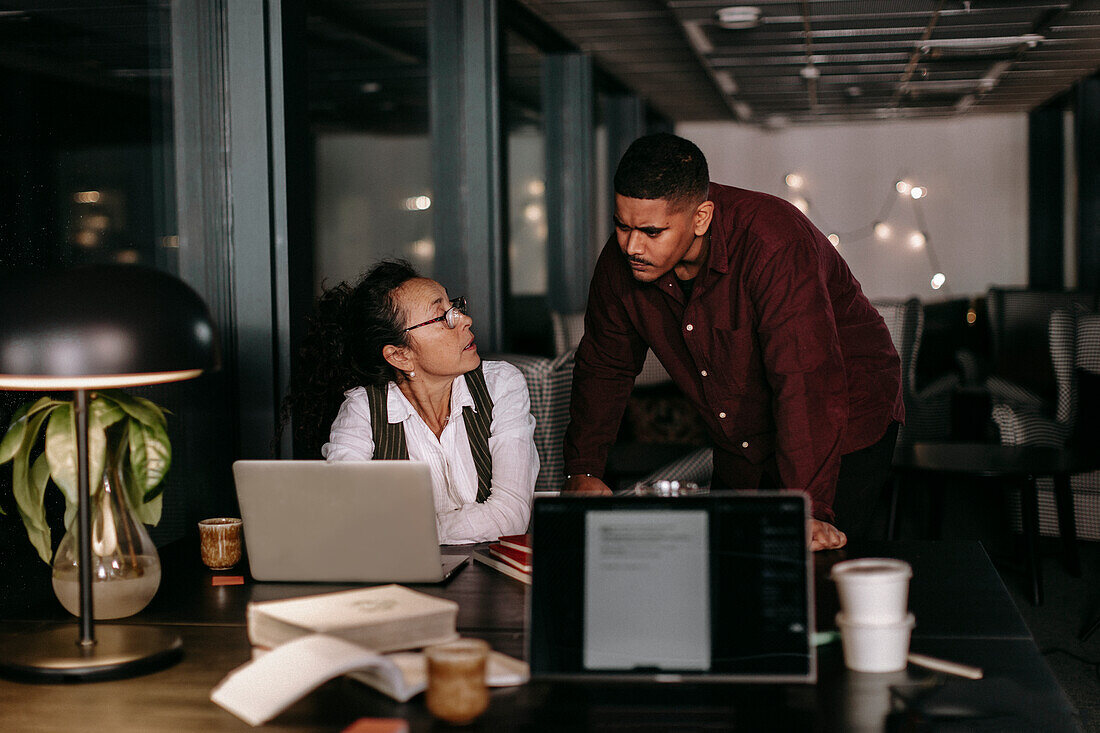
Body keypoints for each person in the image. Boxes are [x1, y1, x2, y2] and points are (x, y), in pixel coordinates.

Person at [563, 133, 903, 551]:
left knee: (808, 567)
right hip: (741, 431)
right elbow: (604, 366)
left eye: (652, 231)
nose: (632, 246)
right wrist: (584, 468)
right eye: (622, 225)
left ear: (701, 217)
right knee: (731, 562)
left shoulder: (774, 243)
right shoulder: (625, 262)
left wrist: (809, 509)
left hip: (842, 416)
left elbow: (805, 380)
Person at [283, 260, 538, 544]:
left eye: (455, 307)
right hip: (401, 576)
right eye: (442, 317)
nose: (464, 319)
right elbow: (346, 516)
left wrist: (405, 531)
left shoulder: (500, 384)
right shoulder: (363, 411)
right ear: (399, 356)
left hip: (494, 579)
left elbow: (510, 516)